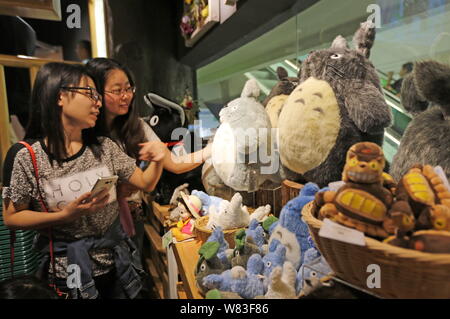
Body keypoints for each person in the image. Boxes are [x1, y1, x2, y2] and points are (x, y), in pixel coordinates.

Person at [1, 62, 166, 299]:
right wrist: (65, 216)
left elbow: (146, 183)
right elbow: (12, 217)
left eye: (98, 95)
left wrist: (157, 160)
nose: (98, 102)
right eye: (89, 93)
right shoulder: (27, 156)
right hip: (67, 274)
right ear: (60, 96)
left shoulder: (104, 147)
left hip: (117, 265)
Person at [85, 58, 211, 254]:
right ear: (95, 92)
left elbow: (174, 163)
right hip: (91, 224)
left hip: (130, 217)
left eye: (129, 89)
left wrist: (210, 150)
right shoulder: (83, 130)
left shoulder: (136, 126)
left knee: (131, 270)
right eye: (117, 90)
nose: (126, 96)